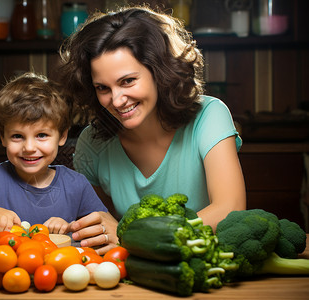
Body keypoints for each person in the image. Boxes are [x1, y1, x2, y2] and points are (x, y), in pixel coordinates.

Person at [58, 5, 247, 251]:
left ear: (159, 71)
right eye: (103, 88)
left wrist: (132, 237)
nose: (116, 100)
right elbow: (98, 224)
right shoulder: (92, 142)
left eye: (127, 81)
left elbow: (229, 210)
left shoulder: (209, 116)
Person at [0, 72, 109, 244]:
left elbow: (104, 229)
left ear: (62, 136)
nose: (29, 148)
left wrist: (71, 228)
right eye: (17, 136)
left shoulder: (76, 184)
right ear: (3, 137)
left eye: (41, 135)